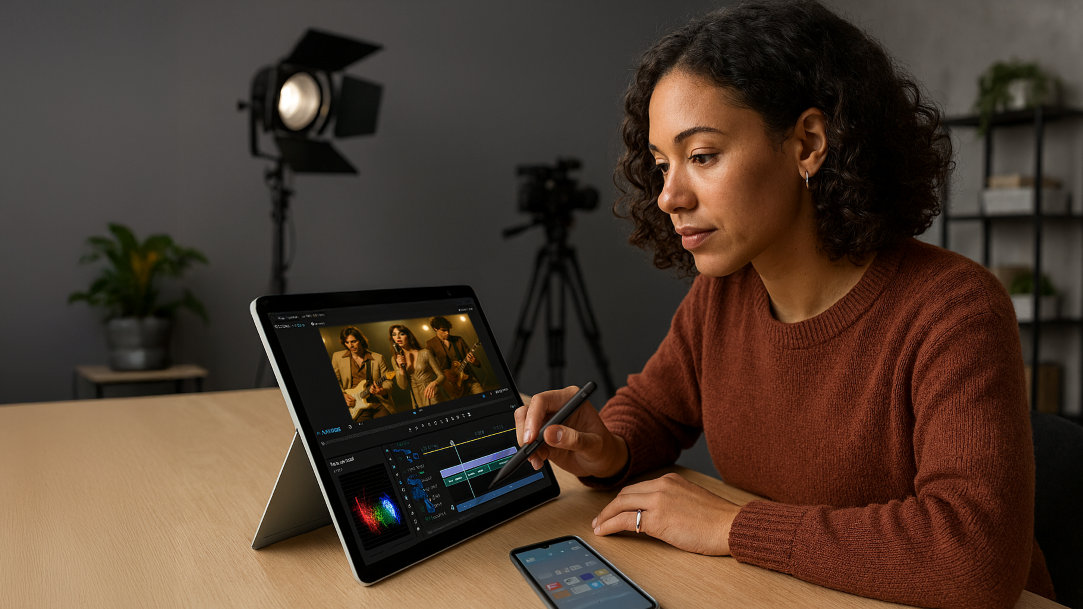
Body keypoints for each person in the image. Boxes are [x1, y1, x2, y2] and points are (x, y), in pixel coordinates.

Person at [514, 2, 1056, 608]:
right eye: (663, 164)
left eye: (701, 156)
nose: (668, 196)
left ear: (808, 143)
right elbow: (653, 412)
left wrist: (730, 528)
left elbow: (973, 559)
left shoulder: (953, 310)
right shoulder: (722, 295)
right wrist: (604, 445)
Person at [330, 327, 394, 421]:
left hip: (377, 401)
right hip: (355, 404)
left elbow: (388, 381)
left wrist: (382, 390)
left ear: (360, 339)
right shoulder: (337, 357)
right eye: (347, 342)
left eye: (353, 341)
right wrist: (342, 395)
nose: (350, 345)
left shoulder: (378, 358)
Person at [426, 316, 484, 399]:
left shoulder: (458, 340)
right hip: (452, 385)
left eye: (448, 330)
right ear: (435, 329)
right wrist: (444, 375)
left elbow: (476, 362)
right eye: (443, 330)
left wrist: (474, 361)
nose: (447, 333)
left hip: (469, 379)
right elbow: (429, 364)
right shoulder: (431, 344)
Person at [389, 324, 445, 408]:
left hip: (432, 395)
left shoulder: (425, 352)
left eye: (401, 334)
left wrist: (434, 383)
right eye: (394, 335)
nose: (398, 337)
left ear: (408, 336)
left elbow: (442, 376)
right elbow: (403, 386)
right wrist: (401, 368)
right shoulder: (395, 359)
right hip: (416, 400)